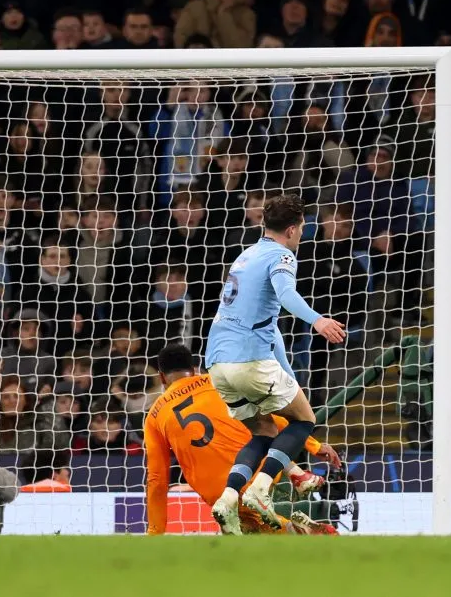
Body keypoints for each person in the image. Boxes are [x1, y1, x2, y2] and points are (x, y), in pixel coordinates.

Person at [205, 194, 346, 535]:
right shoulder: (282, 255)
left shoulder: (245, 255)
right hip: (248, 359)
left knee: (263, 431)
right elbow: (286, 296)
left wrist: (288, 377)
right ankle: (258, 489)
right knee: (304, 421)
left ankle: (227, 497)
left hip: (217, 364)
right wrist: (317, 321)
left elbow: (270, 329)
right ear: (294, 229)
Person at [144, 343, 339, 536]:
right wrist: (314, 445)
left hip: (217, 491)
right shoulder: (219, 382)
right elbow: (272, 417)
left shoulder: (154, 416)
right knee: (254, 525)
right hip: (260, 472)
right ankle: (298, 527)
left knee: (246, 529)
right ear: (194, 369)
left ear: (161, 377)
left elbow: (157, 479)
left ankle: (297, 531)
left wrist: (155, 531)